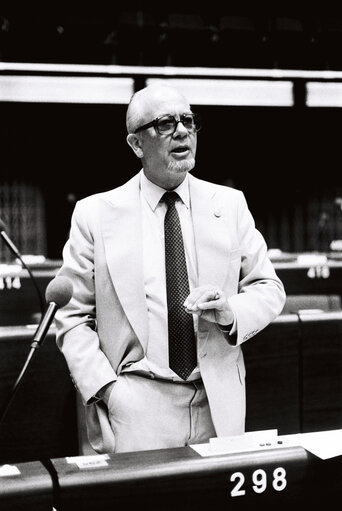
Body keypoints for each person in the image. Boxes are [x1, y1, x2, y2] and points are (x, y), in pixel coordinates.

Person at [55, 82, 286, 454]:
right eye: (164, 124)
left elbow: (269, 288)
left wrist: (231, 313)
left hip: (218, 402)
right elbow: (71, 317)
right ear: (135, 144)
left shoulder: (230, 204)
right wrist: (107, 390)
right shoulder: (94, 214)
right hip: (137, 404)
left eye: (188, 121)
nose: (181, 131)